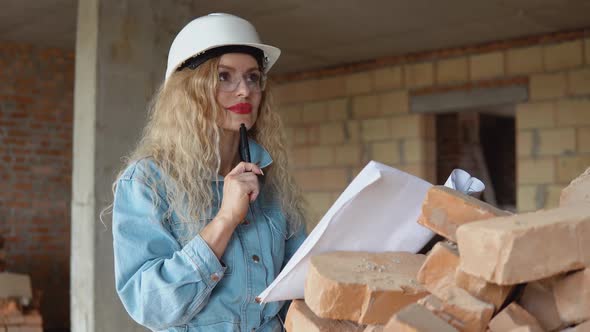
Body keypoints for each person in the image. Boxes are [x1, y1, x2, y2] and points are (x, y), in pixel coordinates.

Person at [111, 13, 307, 332]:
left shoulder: (270, 181)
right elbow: (150, 305)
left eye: (253, 77)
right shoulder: (148, 182)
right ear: (191, 91)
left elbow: (298, 286)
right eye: (224, 76)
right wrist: (225, 220)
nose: (244, 90)